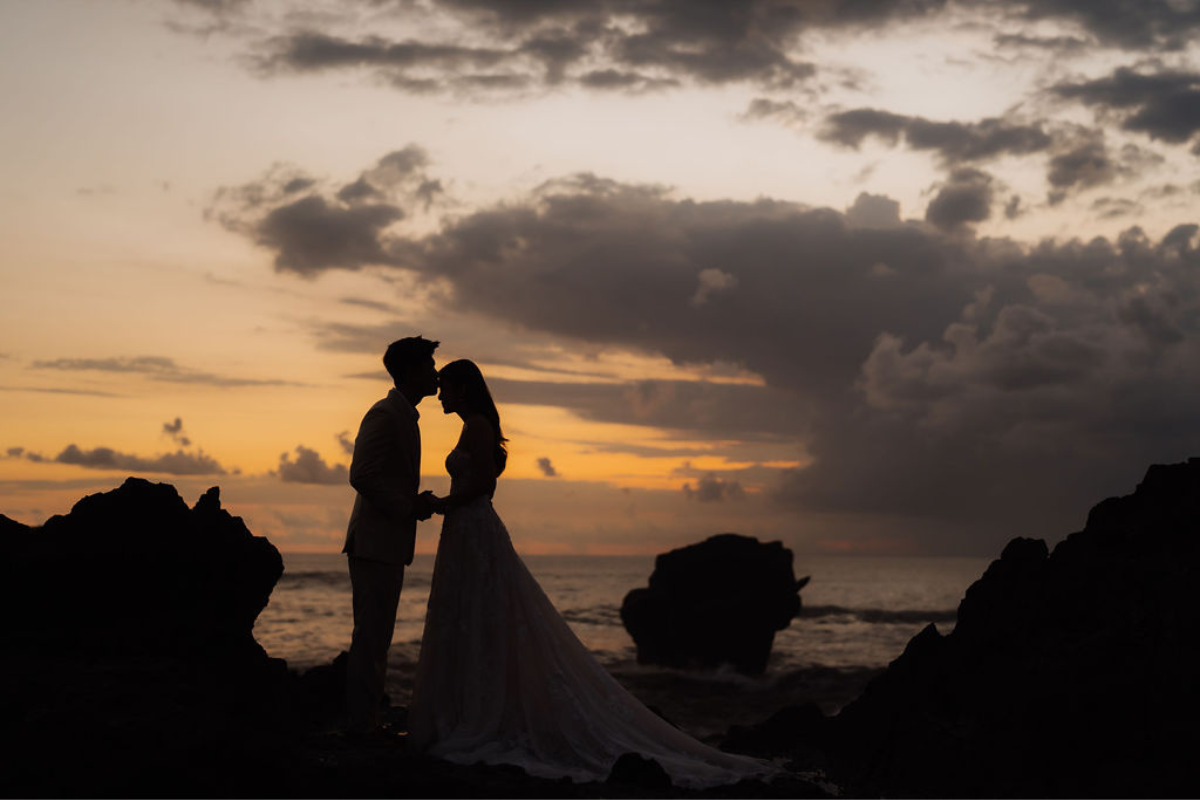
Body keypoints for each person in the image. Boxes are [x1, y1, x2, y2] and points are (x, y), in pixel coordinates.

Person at [407, 359, 777, 788]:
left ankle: (479, 711)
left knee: (481, 615)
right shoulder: (472, 425)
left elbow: (483, 486)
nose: (439, 395)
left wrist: (441, 504)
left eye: (445, 387)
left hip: (472, 528)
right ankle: (472, 704)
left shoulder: (475, 426)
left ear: (464, 390)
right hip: (465, 530)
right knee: (473, 617)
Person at [343, 336, 439, 738]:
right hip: (375, 544)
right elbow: (361, 475)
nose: (436, 373)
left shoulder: (404, 415)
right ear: (413, 371)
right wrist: (408, 506)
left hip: (385, 544)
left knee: (376, 636)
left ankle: (366, 720)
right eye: (431, 366)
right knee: (371, 637)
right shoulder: (385, 414)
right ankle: (360, 724)